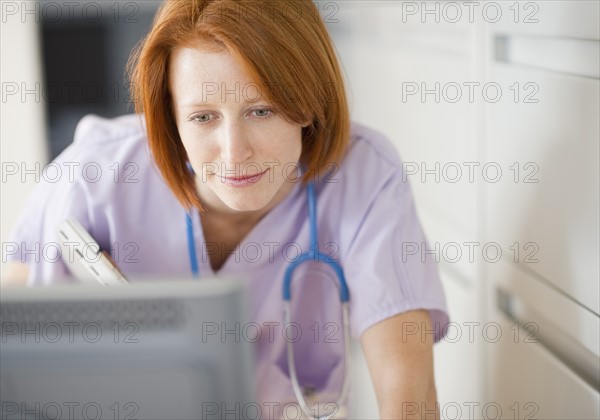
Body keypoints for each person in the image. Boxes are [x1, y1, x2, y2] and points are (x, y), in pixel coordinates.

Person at [3, 0, 449, 418]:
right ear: (171, 117)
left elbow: (410, 402)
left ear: (309, 103)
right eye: (203, 117)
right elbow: (19, 373)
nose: (235, 154)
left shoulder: (363, 173)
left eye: (262, 111)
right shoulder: (92, 177)